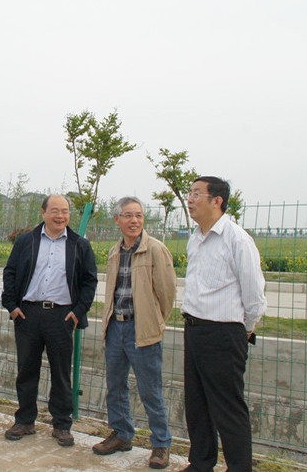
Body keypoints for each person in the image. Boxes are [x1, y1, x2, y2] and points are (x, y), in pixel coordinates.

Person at [181, 176, 267, 472]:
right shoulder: (195, 237)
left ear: (216, 201)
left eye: (196, 194)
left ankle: (239, 468)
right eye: (189, 193)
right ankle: (200, 463)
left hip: (224, 333)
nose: (190, 199)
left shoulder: (237, 239)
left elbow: (254, 296)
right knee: (197, 404)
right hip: (194, 329)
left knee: (227, 407)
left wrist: (244, 330)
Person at [1, 194, 97, 447]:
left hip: (61, 316)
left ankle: (62, 424)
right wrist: (12, 306)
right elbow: (10, 272)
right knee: (26, 370)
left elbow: (89, 281)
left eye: (65, 211)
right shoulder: (26, 241)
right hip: (28, 314)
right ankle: (25, 420)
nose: (60, 216)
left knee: (61, 373)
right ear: (43, 212)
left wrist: (78, 311)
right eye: (55, 210)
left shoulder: (79, 245)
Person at [92, 197, 176, 469]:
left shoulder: (156, 250)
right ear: (117, 220)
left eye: (139, 215)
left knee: (150, 390)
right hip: (115, 327)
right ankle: (121, 434)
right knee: (115, 386)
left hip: (143, 329)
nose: (134, 221)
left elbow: (167, 293)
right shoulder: (114, 251)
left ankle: (161, 443)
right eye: (128, 215)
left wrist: (153, 321)